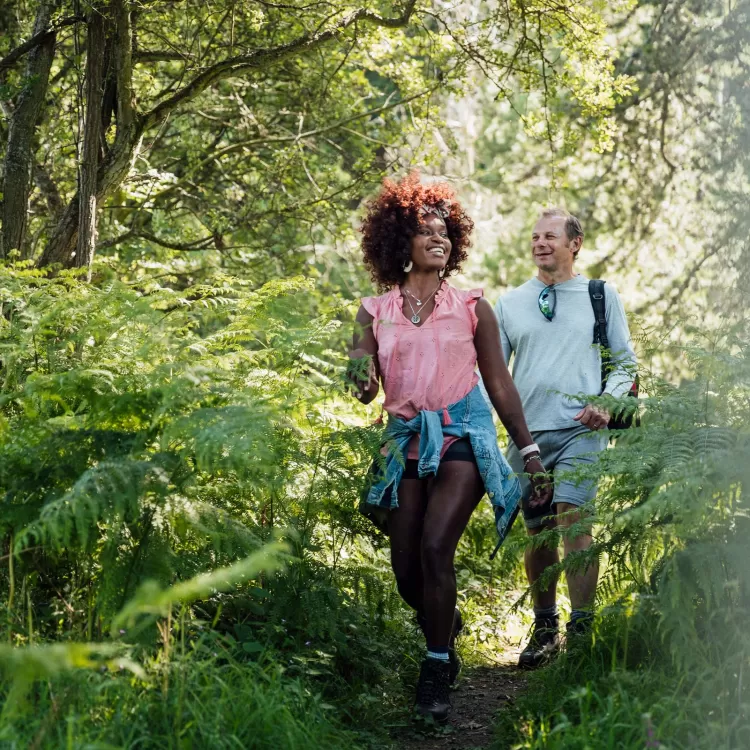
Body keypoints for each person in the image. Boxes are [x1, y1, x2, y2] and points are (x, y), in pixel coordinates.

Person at [347, 174, 552, 722]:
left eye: (445, 233)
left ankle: (437, 668)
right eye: (425, 232)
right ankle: (447, 622)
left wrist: (529, 451)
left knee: (437, 548)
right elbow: (361, 376)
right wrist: (361, 377)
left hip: (464, 433)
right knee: (405, 568)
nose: (438, 240)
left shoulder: (472, 307)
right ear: (399, 243)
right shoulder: (375, 310)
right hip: (404, 440)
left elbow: (500, 383)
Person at [494, 207, 637, 669]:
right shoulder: (510, 303)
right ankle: (545, 627)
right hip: (527, 436)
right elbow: (494, 375)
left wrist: (607, 401)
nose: (540, 243)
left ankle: (582, 632)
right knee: (537, 536)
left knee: (573, 521)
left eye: (550, 236)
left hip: (582, 429)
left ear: (574, 243)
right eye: (535, 236)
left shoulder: (600, 295)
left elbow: (626, 362)